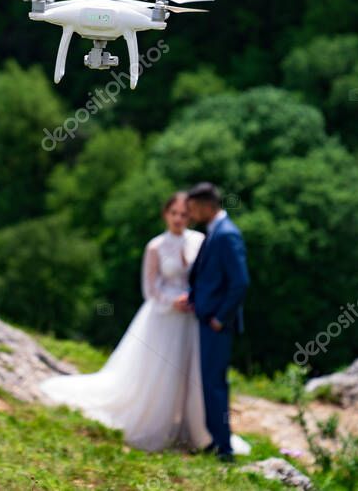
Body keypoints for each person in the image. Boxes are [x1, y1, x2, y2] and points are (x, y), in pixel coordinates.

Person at [39, 192, 250, 455]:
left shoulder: (201, 241)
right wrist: (172, 301)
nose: (179, 218)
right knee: (160, 372)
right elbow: (149, 289)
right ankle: (157, 422)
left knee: (194, 375)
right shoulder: (155, 246)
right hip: (164, 318)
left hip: (194, 319)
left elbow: (208, 278)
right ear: (165, 214)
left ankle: (197, 429)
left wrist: (196, 301)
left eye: (185, 214)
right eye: (174, 213)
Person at [185, 182, 250, 462]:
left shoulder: (227, 235)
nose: (191, 213)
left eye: (193, 208)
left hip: (217, 325)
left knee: (214, 384)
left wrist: (220, 319)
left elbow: (240, 283)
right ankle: (216, 439)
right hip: (208, 319)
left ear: (207, 205)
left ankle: (225, 449)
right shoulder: (215, 233)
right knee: (209, 382)